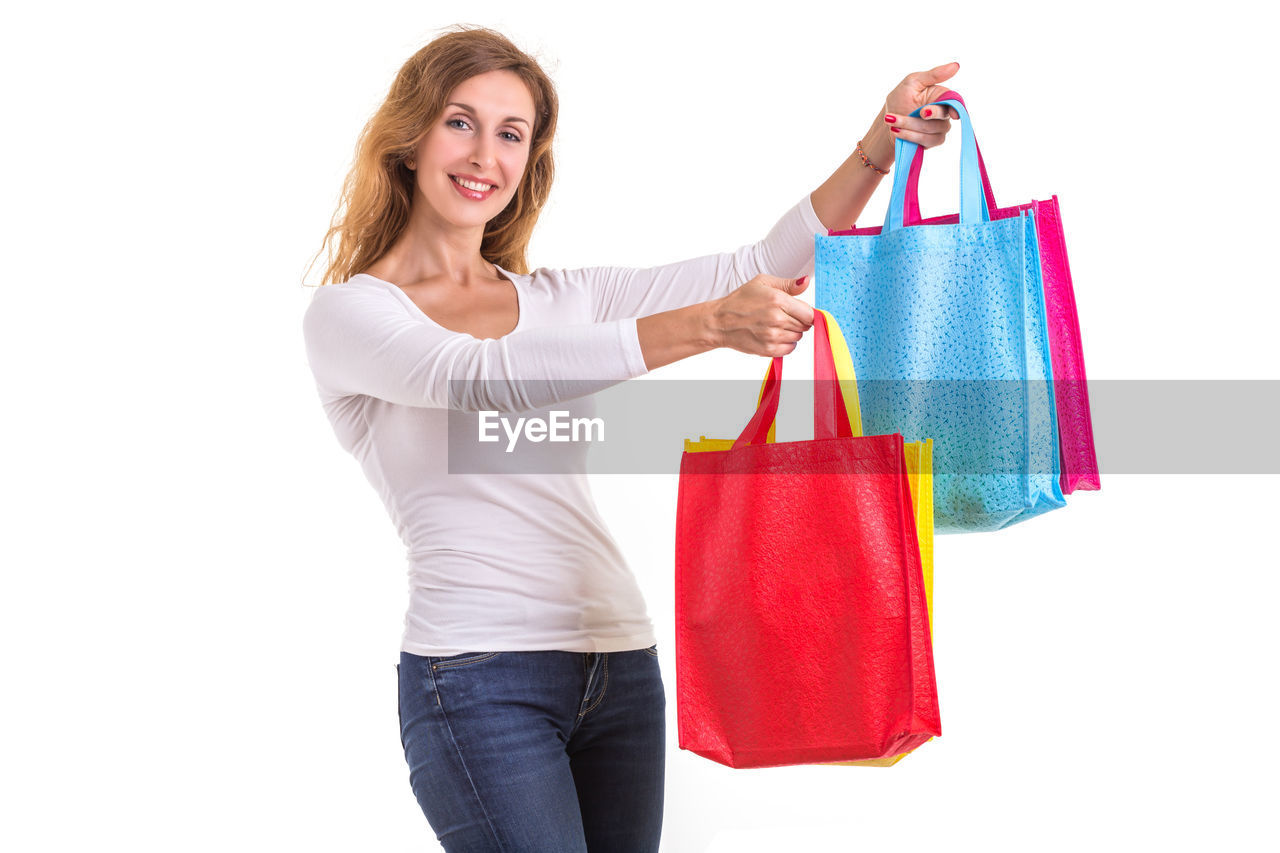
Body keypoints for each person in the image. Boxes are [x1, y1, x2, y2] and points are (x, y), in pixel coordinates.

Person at [301, 25, 959, 853]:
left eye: (512, 134)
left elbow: (761, 261)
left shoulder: (561, 297)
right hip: (476, 679)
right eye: (460, 122)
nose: (484, 154)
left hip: (619, 661)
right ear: (410, 137)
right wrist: (708, 326)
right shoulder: (352, 314)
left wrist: (878, 146)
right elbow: (477, 375)